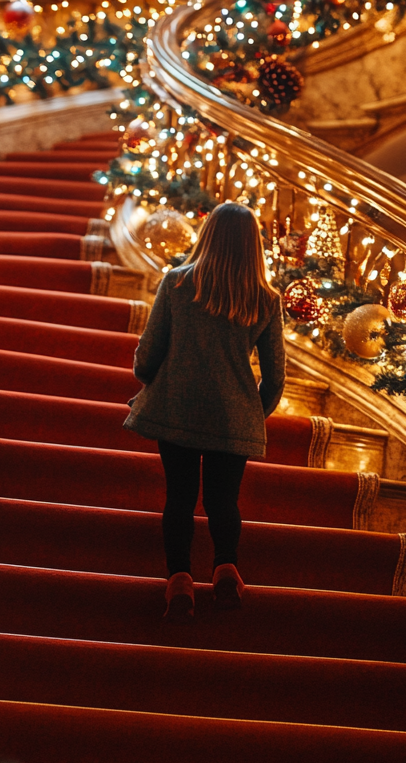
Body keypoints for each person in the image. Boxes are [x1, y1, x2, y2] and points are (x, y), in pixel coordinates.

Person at [124, 202, 286, 623]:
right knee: (222, 501)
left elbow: (148, 355)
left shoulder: (177, 283)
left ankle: (179, 581)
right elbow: (275, 377)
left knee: (179, 497)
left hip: (176, 407)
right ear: (255, 245)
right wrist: (251, 413)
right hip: (233, 417)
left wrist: (155, 380)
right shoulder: (266, 298)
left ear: (207, 234)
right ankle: (226, 568)